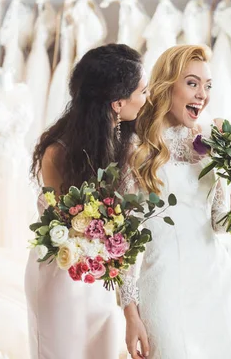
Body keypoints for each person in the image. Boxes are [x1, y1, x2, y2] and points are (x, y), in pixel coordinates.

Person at [121, 45, 231, 359]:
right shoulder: (137, 146)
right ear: (168, 85)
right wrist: (130, 312)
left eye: (207, 86)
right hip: (163, 285)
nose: (202, 95)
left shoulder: (211, 141)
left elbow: (218, 222)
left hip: (214, 282)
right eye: (192, 83)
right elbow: (125, 240)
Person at [25, 44, 149, 359]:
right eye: (142, 92)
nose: (147, 100)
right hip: (62, 275)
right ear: (118, 102)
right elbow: (68, 230)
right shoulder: (59, 152)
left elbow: (126, 233)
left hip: (102, 281)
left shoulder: (129, 148)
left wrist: (130, 311)